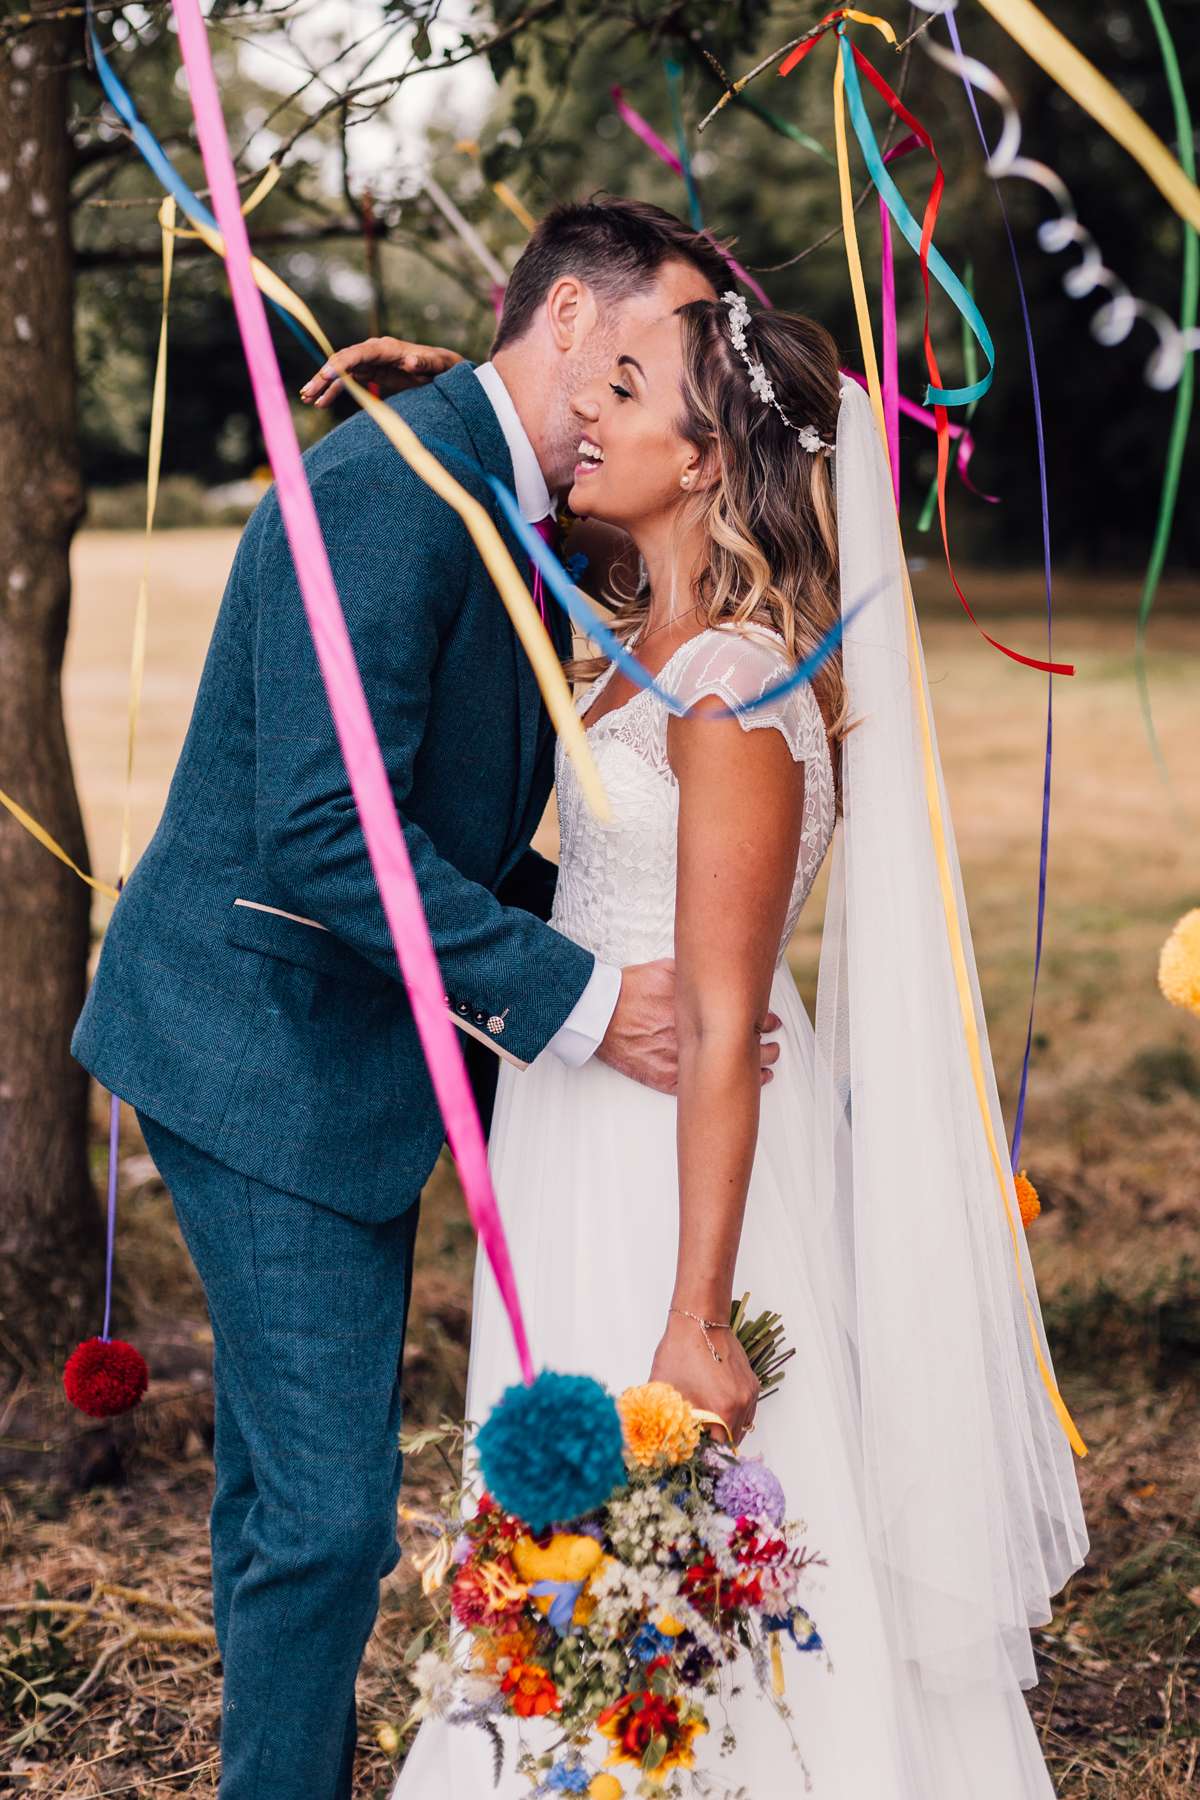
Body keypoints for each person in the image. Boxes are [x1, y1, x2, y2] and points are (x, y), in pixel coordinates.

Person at [70, 198, 787, 1800]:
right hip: (261, 1047)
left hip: (332, 1045)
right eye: (658, 345)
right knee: (331, 1520)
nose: (663, 383)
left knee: (282, 1502)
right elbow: (330, 830)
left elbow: (440, 825)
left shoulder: (502, 491)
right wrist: (583, 998)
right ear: (577, 321)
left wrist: (611, 939)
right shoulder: (393, 491)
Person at [334, 298, 1089, 1798]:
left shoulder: (734, 687)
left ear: (701, 460)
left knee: (678, 1506)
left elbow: (731, 1023)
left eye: (623, 389)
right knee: (579, 1516)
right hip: (583, 1112)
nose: (586, 412)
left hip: (675, 1148)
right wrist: (451, 387)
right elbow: (518, 498)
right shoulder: (641, 637)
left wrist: (698, 1314)